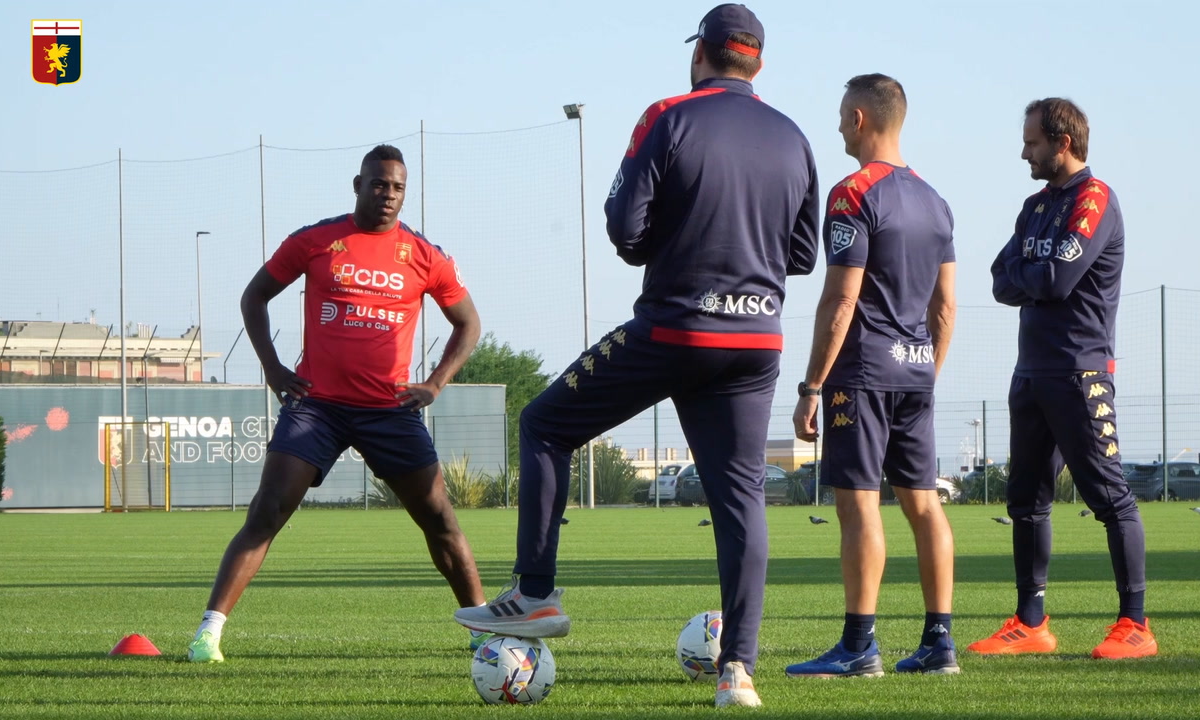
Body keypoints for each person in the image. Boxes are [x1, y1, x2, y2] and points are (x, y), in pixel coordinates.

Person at [455, 4, 818, 707]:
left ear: (702, 53)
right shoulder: (794, 137)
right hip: (757, 340)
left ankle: (534, 595)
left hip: (675, 329)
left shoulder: (669, 114)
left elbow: (626, 229)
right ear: (759, 63)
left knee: (545, 426)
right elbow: (800, 254)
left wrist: (674, 248)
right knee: (741, 498)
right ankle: (738, 672)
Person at [188, 144, 488, 663]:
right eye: (378, 184)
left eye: (396, 187)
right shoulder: (315, 241)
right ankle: (208, 634)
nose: (387, 195)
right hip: (317, 407)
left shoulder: (423, 255)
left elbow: (468, 323)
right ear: (358, 184)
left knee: (439, 517)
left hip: (389, 409)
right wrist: (273, 368)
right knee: (267, 512)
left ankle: (483, 630)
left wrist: (436, 383)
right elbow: (253, 296)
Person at [783, 75, 959, 679]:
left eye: (839, 116)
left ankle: (859, 647)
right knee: (925, 505)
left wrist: (811, 387)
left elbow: (841, 299)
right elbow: (946, 307)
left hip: (861, 372)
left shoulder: (851, 193)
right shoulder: (936, 200)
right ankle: (940, 644)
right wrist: (925, 372)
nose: (835, 127)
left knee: (858, 506)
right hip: (915, 371)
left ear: (860, 118)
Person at [973, 98, 1157, 659]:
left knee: (1109, 498)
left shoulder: (1096, 200)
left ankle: (1136, 625)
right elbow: (998, 278)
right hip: (1030, 373)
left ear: (1063, 142)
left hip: (1080, 373)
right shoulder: (1035, 206)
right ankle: (1031, 624)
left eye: (1031, 142)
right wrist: (1035, 274)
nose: (1023, 151)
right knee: (1025, 500)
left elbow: (1054, 280)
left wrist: (1032, 274)